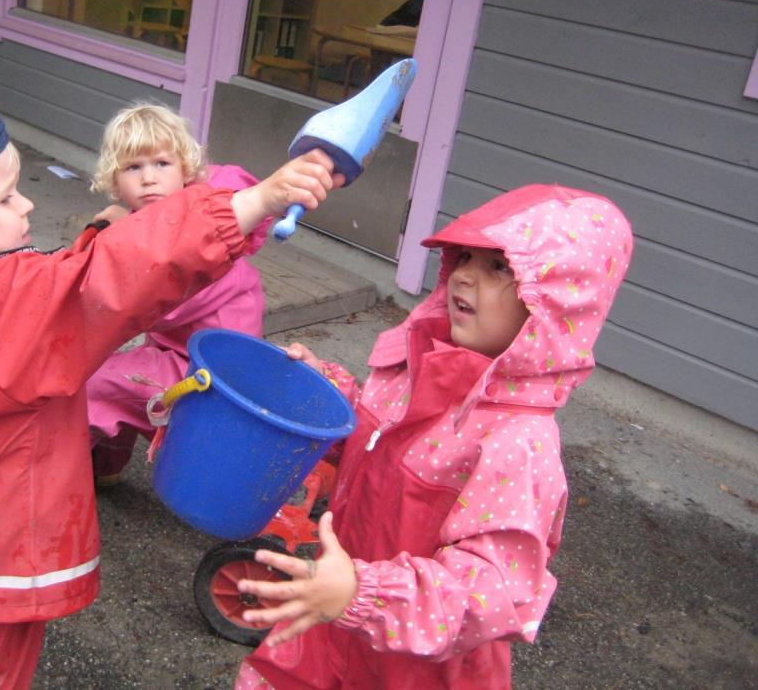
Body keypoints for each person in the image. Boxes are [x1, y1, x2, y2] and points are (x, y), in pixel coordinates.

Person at [0, 84, 342, 688]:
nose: (28, 205)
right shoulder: (14, 311)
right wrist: (257, 199)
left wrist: (95, 233)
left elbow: (51, 285)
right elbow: (116, 275)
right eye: (7, 197)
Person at [234, 184, 633, 689]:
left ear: (554, 308)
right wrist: (324, 397)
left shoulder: (519, 441)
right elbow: (370, 438)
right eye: (465, 256)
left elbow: (489, 589)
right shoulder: (419, 365)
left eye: (500, 268)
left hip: (417, 665)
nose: (465, 274)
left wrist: (364, 594)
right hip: (333, 616)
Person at [84, 103, 270, 486]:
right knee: (112, 368)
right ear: (116, 182)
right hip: (183, 351)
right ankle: (102, 468)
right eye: (133, 168)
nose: (149, 178)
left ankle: (66, 470)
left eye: (161, 164)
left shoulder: (204, 231)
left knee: (93, 383)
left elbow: (163, 306)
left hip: (210, 374)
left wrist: (121, 240)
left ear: (186, 170)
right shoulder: (155, 220)